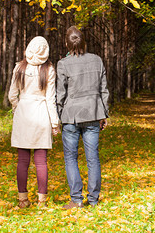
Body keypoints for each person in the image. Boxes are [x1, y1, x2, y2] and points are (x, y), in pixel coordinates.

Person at [56, 26, 109, 209]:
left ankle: (76, 200)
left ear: (66, 43)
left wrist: (59, 114)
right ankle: (93, 200)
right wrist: (104, 113)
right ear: (84, 42)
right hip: (93, 113)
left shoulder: (63, 64)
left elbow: (60, 94)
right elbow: (103, 90)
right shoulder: (97, 60)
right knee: (92, 157)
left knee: (71, 158)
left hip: (71, 116)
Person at [8, 36, 60, 208]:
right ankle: (41, 201)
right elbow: (50, 99)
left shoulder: (19, 67)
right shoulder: (49, 70)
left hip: (23, 114)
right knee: (41, 161)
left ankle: (22, 200)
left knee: (22, 160)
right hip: (41, 115)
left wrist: (18, 108)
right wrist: (54, 123)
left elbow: (11, 95)